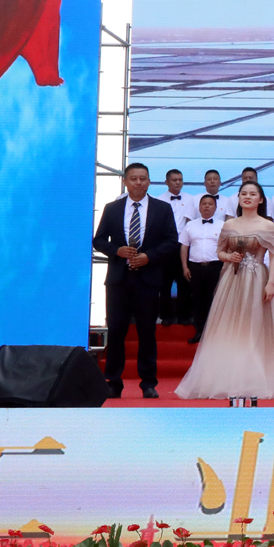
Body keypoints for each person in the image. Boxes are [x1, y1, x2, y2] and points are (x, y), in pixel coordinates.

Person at [174, 181, 274, 400]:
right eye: (243, 193)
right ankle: (225, 378)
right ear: (238, 198)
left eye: (252, 194)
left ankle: (254, 379)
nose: (247, 197)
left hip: (257, 279)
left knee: (253, 326)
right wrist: (229, 257)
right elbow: (219, 252)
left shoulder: (268, 226)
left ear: (261, 199)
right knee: (229, 327)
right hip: (232, 279)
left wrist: (271, 283)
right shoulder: (229, 224)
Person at [93, 163, 180, 399]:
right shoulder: (112, 208)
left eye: (143, 178)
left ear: (149, 182)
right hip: (118, 280)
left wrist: (149, 257)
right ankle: (113, 382)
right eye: (133, 178)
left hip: (148, 280)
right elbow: (98, 240)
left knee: (147, 332)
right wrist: (117, 251)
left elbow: (171, 241)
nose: (138, 183)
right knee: (116, 331)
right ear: (125, 182)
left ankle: (148, 383)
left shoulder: (162, 209)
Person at [179, 194, 224, 343]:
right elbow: (184, 246)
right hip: (195, 267)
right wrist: (185, 266)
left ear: (215, 208)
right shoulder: (190, 225)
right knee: (197, 299)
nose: (207, 206)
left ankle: (213, 333)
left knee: (214, 299)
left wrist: (225, 268)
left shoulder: (223, 225)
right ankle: (199, 331)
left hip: (216, 266)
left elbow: (227, 247)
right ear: (199, 207)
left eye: (210, 204)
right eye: (204, 204)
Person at [156, 168, 193, 326]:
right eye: (174, 180)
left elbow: (190, 222)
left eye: (180, 180)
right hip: (165, 245)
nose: (178, 182)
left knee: (184, 281)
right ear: (166, 182)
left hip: (183, 245)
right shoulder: (158, 200)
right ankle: (165, 315)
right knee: (164, 282)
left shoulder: (190, 199)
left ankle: (184, 315)